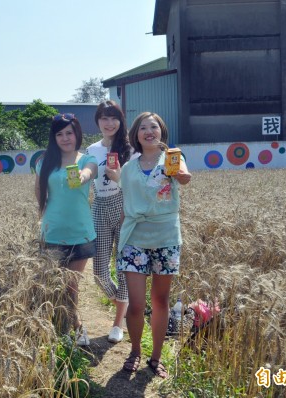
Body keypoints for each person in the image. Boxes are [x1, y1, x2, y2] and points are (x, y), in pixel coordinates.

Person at [116, 112, 191, 377]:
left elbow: (183, 176)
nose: (150, 131)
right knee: (136, 304)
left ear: (161, 131)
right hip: (134, 238)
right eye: (143, 128)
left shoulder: (172, 158)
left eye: (154, 127)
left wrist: (182, 174)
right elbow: (126, 206)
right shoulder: (127, 168)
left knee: (160, 301)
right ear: (136, 135)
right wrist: (120, 241)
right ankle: (135, 350)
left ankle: (156, 357)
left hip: (166, 238)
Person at [35, 113, 98, 346]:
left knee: (71, 284)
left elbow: (88, 173)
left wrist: (81, 176)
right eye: (59, 134)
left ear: (77, 133)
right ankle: (58, 329)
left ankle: (77, 326)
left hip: (80, 232)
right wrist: (41, 217)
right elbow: (39, 191)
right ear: (54, 137)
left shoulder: (87, 159)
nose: (65, 138)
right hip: (52, 231)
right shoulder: (44, 161)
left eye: (69, 133)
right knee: (53, 284)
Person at [85, 100, 132, 343]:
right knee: (100, 271)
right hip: (100, 207)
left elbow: (136, 183)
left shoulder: (130, 148)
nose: (109, 123)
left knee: (123, 268)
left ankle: (118, 324)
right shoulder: (92, 150)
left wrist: (120, 177)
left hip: (124, 206)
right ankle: (124, 304)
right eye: (104, 118)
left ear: (120, 120)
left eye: (114, 118)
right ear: (98, 121)